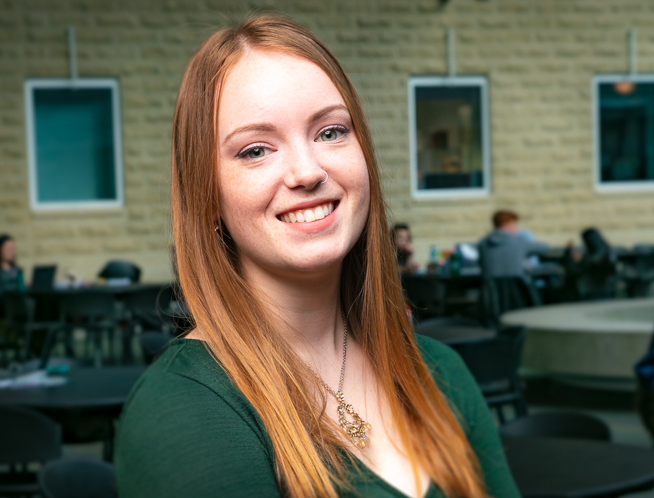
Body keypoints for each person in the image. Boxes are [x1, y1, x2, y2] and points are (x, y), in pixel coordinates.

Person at [115, 15, 519, 498]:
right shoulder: (186, 407)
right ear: (207, 196)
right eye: (256, 150)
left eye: (330, 132)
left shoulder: (438, 372)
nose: (307, 172)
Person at [478, 210, 549, 279]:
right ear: (508, 224)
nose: (517, 228)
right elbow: (545, 248)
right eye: (515, 224)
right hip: (517, 289)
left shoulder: (482, 244)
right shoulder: (519, 242)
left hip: (491, 289)